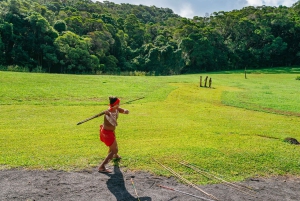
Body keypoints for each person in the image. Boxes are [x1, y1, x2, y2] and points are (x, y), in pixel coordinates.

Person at [98, 96, 129, 173]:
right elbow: (114, 122)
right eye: (118, 103)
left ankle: (115, 155)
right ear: (115, 104)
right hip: (107, 133)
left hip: (111, 132)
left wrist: (125, 111)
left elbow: (122, 110)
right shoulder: (108, 113)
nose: (119, 105)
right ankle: (102, 167)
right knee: (115, 150)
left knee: (113, 145)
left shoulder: (116, 109)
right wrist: (108, 114)